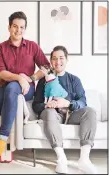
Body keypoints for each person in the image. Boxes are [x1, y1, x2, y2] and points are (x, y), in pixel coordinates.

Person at [0, 11, 50, 169]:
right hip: (5, 84)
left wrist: (31, 78)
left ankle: (2, 139)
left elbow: (45, 66)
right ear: (9, 27)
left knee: (13, 88)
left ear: (25, 29)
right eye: (15, 26)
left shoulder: (32, 46)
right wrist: (19, 77)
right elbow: (1, 73)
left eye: (22, 27)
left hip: (26, 89)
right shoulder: (0, 49)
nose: (18, 30)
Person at [32, 45, 97, 174]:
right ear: (50, 61)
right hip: (53, 115)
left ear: (67, 60)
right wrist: (47, 105)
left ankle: (84, 159)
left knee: (90, 111)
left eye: (61, 58)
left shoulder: (74, 80)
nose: (58, 62)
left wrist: (68, 103)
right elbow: (36, 105)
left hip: (71, 115)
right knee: (49, 113)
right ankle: (61, 159)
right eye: (54, 59)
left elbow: (83, 102)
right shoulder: (43, 82)